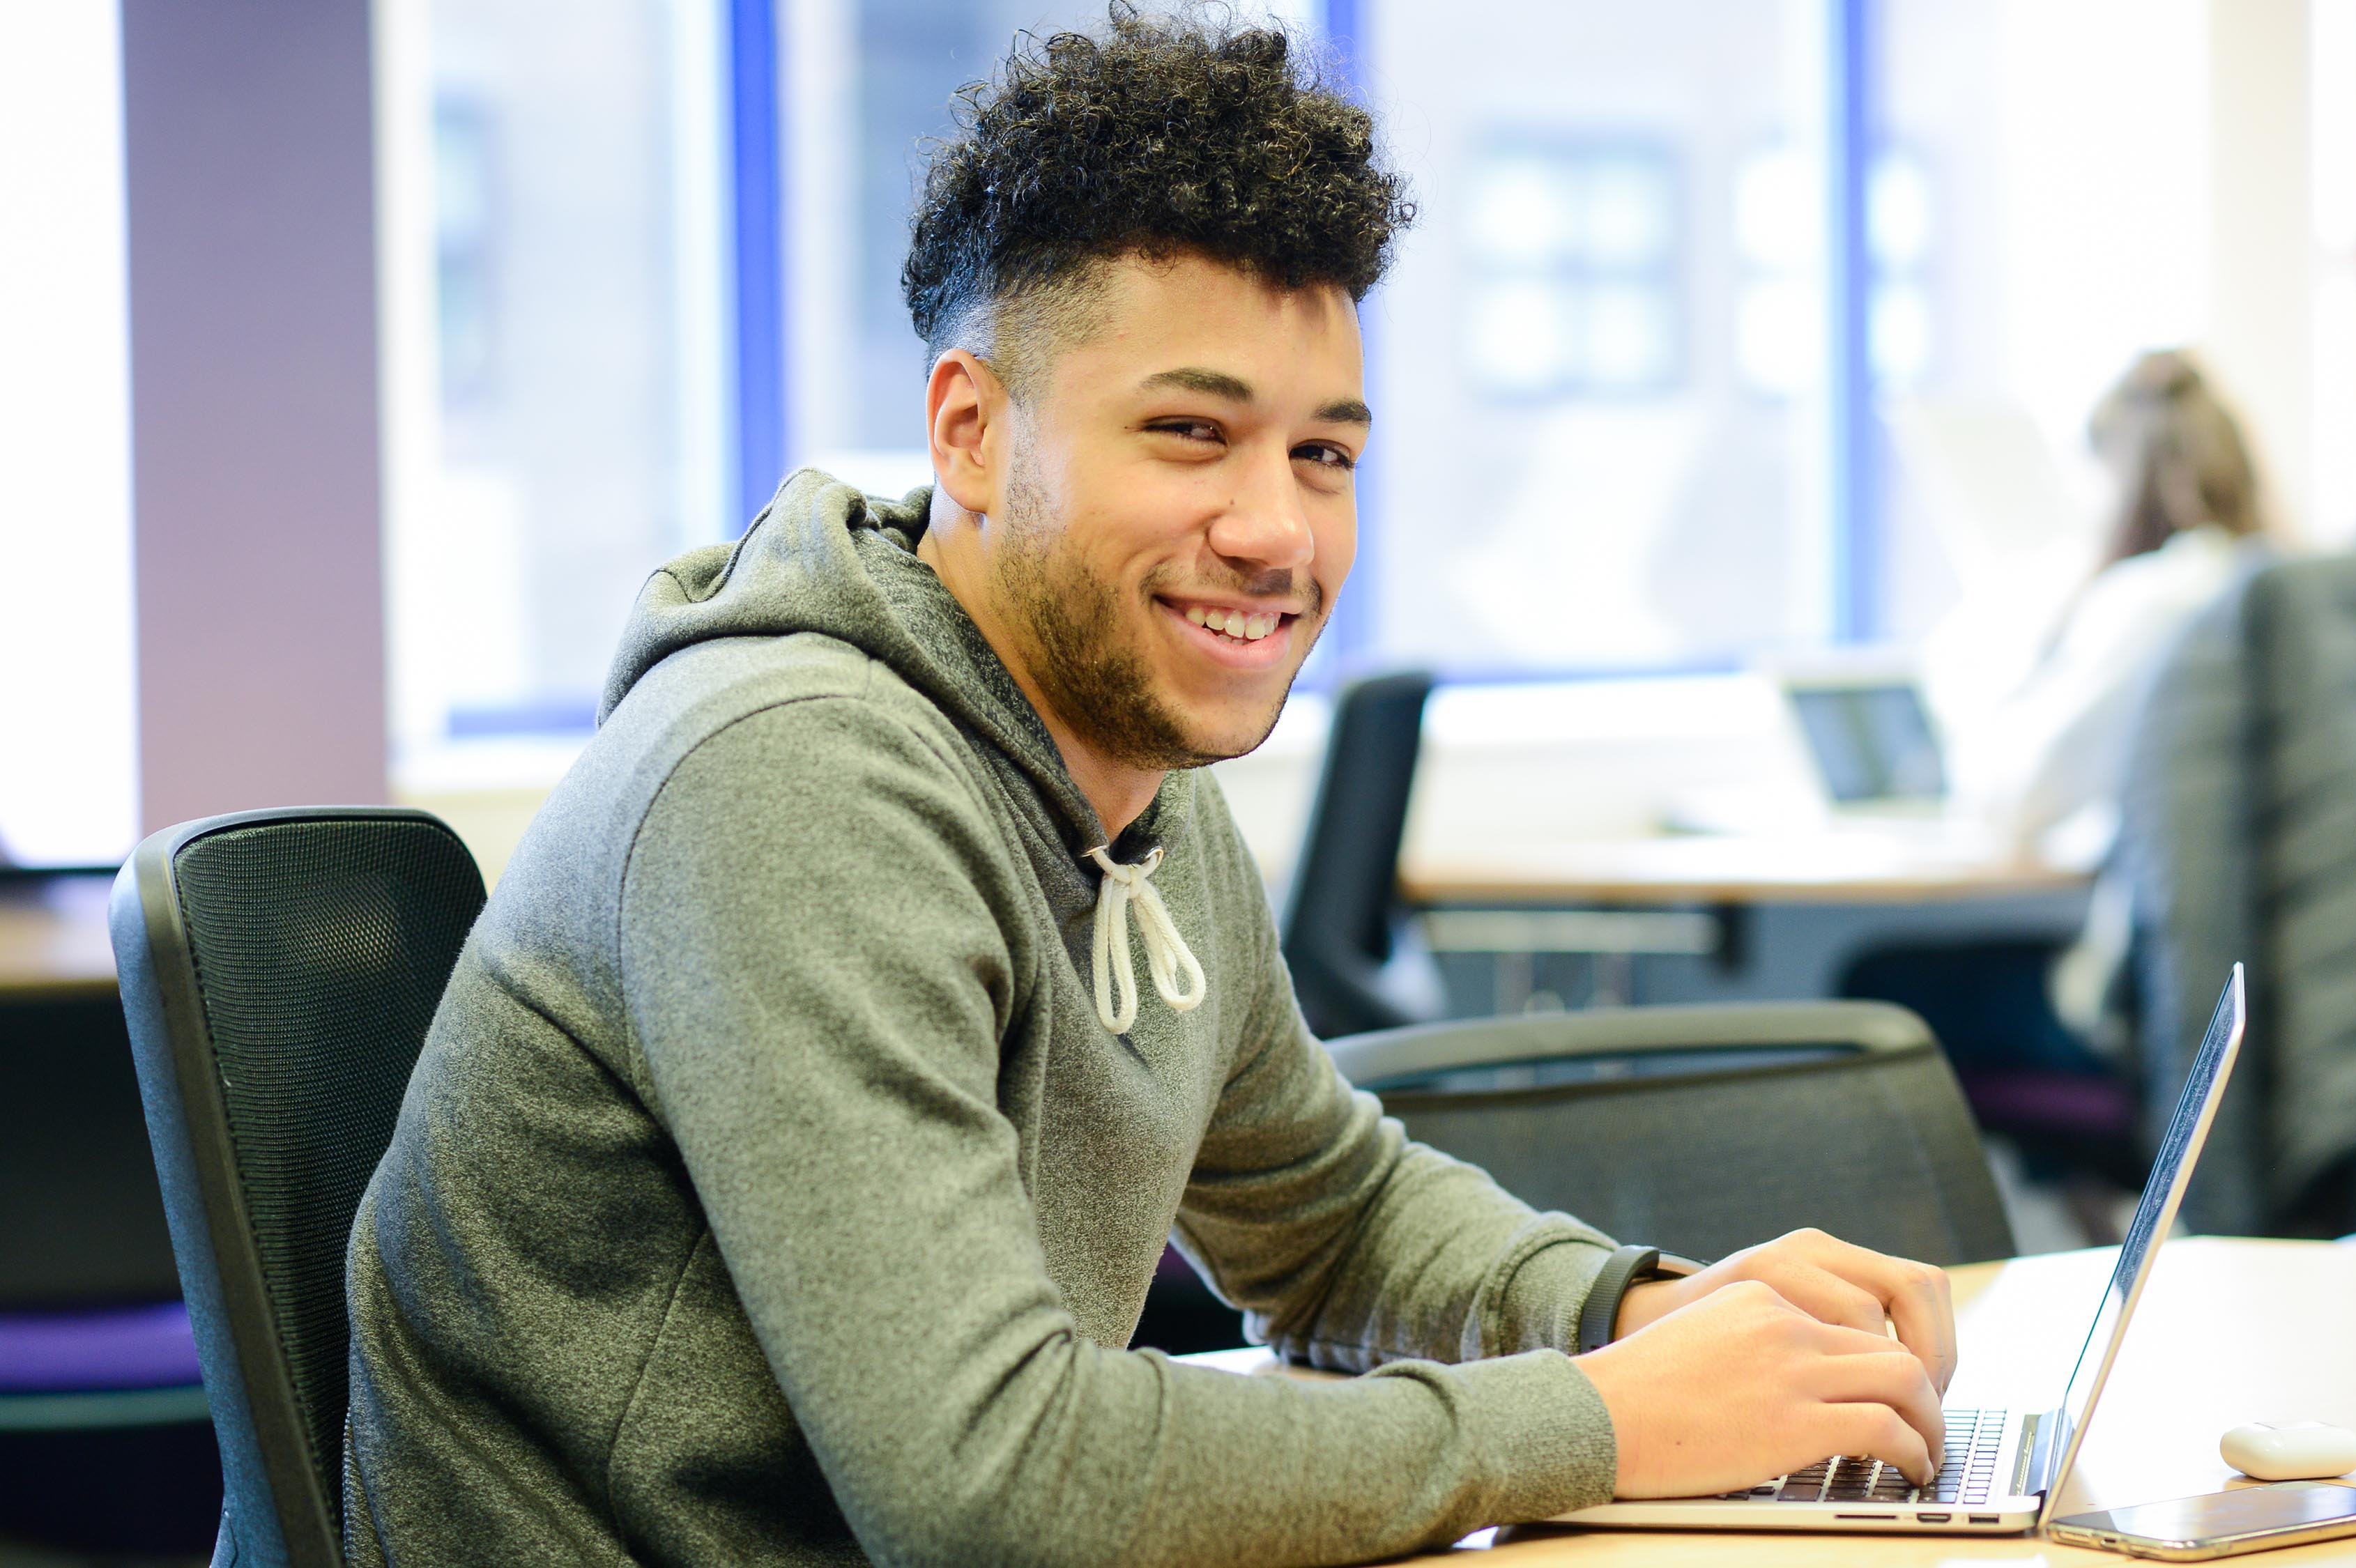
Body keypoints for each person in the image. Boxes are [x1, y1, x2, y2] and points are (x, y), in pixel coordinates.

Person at [340, 10, 1957, 1566]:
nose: (1277, 528)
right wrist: (1597, 1417)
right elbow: (990, 1486)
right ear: (970, 433)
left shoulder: (1131, 795)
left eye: (1324, 455)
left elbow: (1330, 1224)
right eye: (1193, 433)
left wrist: (1636, 1315)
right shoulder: (785, 779)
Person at [1939, 349, 2276, 869]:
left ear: (2121, 483)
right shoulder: (2270, 580)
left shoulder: (2155, 603)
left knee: (1879, 958)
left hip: (2157, 935)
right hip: (2256, 931)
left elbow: (2020, 796)